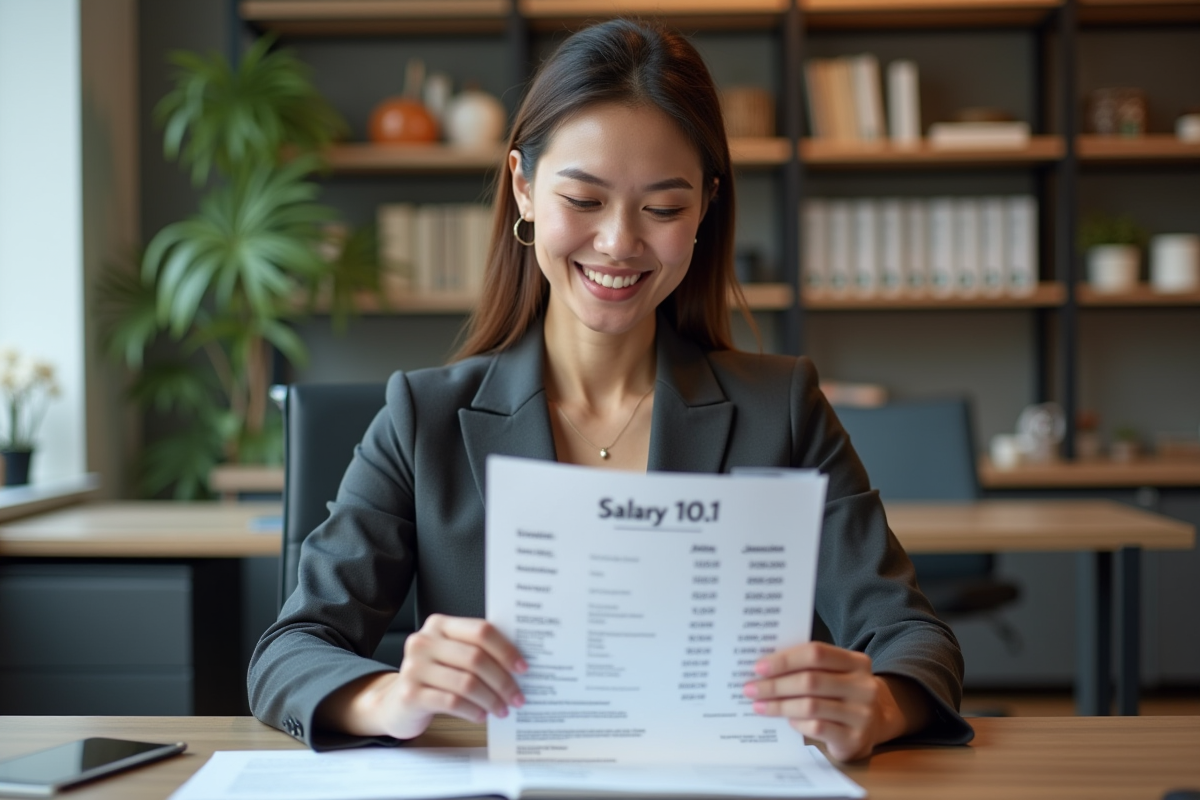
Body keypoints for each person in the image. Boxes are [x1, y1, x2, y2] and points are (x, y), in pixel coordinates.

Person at [248, 18, 974, 762]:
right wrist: (392, 695)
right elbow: (291, 649)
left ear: (704, 211)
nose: (620, 243)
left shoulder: (781, 410)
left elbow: (914, 637)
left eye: (663, 208)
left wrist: (879, 704)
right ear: (524, 188)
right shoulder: (422, 417)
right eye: (585, 200)